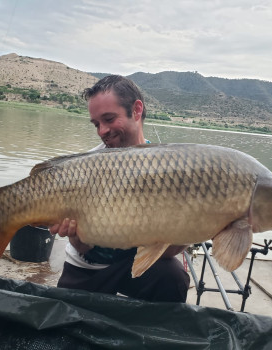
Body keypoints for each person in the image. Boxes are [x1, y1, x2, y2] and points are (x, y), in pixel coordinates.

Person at [49, 75, 190, 303]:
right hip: (89, 264)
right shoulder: (85, 169)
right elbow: (83, 247)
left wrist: (190, 230)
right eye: (96, 124)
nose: (102, 131)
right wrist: (74, 234)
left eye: (109, 119)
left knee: (173, 276)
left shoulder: (167, 171)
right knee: (64, 321)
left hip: (137, 264)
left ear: (136, 110)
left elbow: (166, 250)